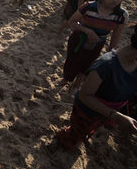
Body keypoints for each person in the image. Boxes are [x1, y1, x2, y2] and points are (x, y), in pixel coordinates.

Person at [56, 21, 137, 150]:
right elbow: (85, 95)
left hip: (104, 114)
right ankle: (63, 141)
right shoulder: (107, 64)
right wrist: (115, 115)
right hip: (87, 113)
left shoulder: (133, 63)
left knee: (87, 131)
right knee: (75, 134)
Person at [63, 0, 128, 90]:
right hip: (78, 39)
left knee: (87, 65)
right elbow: (71, 22)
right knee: (71, 62)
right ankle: (65, 80)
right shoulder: (88, 6)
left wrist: (110, 52)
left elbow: (116, 35)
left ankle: (75, 85)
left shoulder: (122, 15)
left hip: (97, 44)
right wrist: (88, 31)